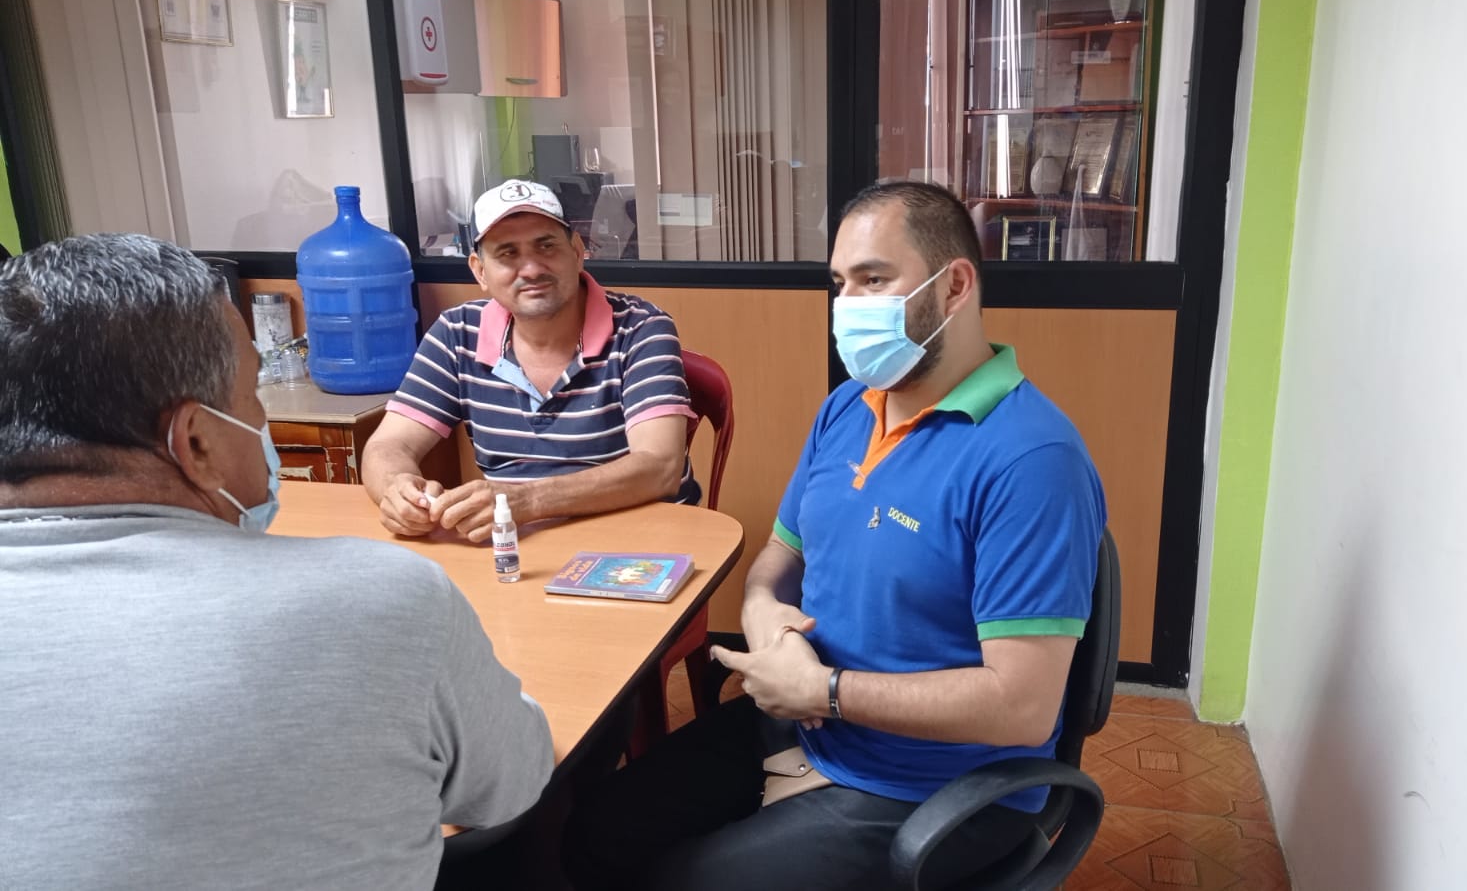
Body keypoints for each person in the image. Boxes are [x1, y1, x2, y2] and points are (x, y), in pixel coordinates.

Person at [563, 181, 1107, 890]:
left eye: (873, 280)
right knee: (594, 830)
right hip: (805, 723)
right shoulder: (847, 408)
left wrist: (828, 691)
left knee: (679, 881)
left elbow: (1023, 707)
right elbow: (781, 555)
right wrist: (762, 610)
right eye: (839, 283)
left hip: (925, 785)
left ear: (955, 286)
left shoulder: (1032, 460)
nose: (847, 305)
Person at [0, 234, 554, 890]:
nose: (261, 417)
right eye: (252, 394)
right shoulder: (381, 600)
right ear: (196, 442)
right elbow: (510, 784)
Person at [362, 179, 698, 542]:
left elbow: (660, 467)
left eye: (546, 246)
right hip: (517, 547)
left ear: (577, 251)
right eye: (507, 253)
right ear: (480, 271)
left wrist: (528, 500)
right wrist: (397, 490)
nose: (532, 268)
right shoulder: (457, 334)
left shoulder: (641, 328)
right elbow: (388, 446)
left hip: (638, 544)